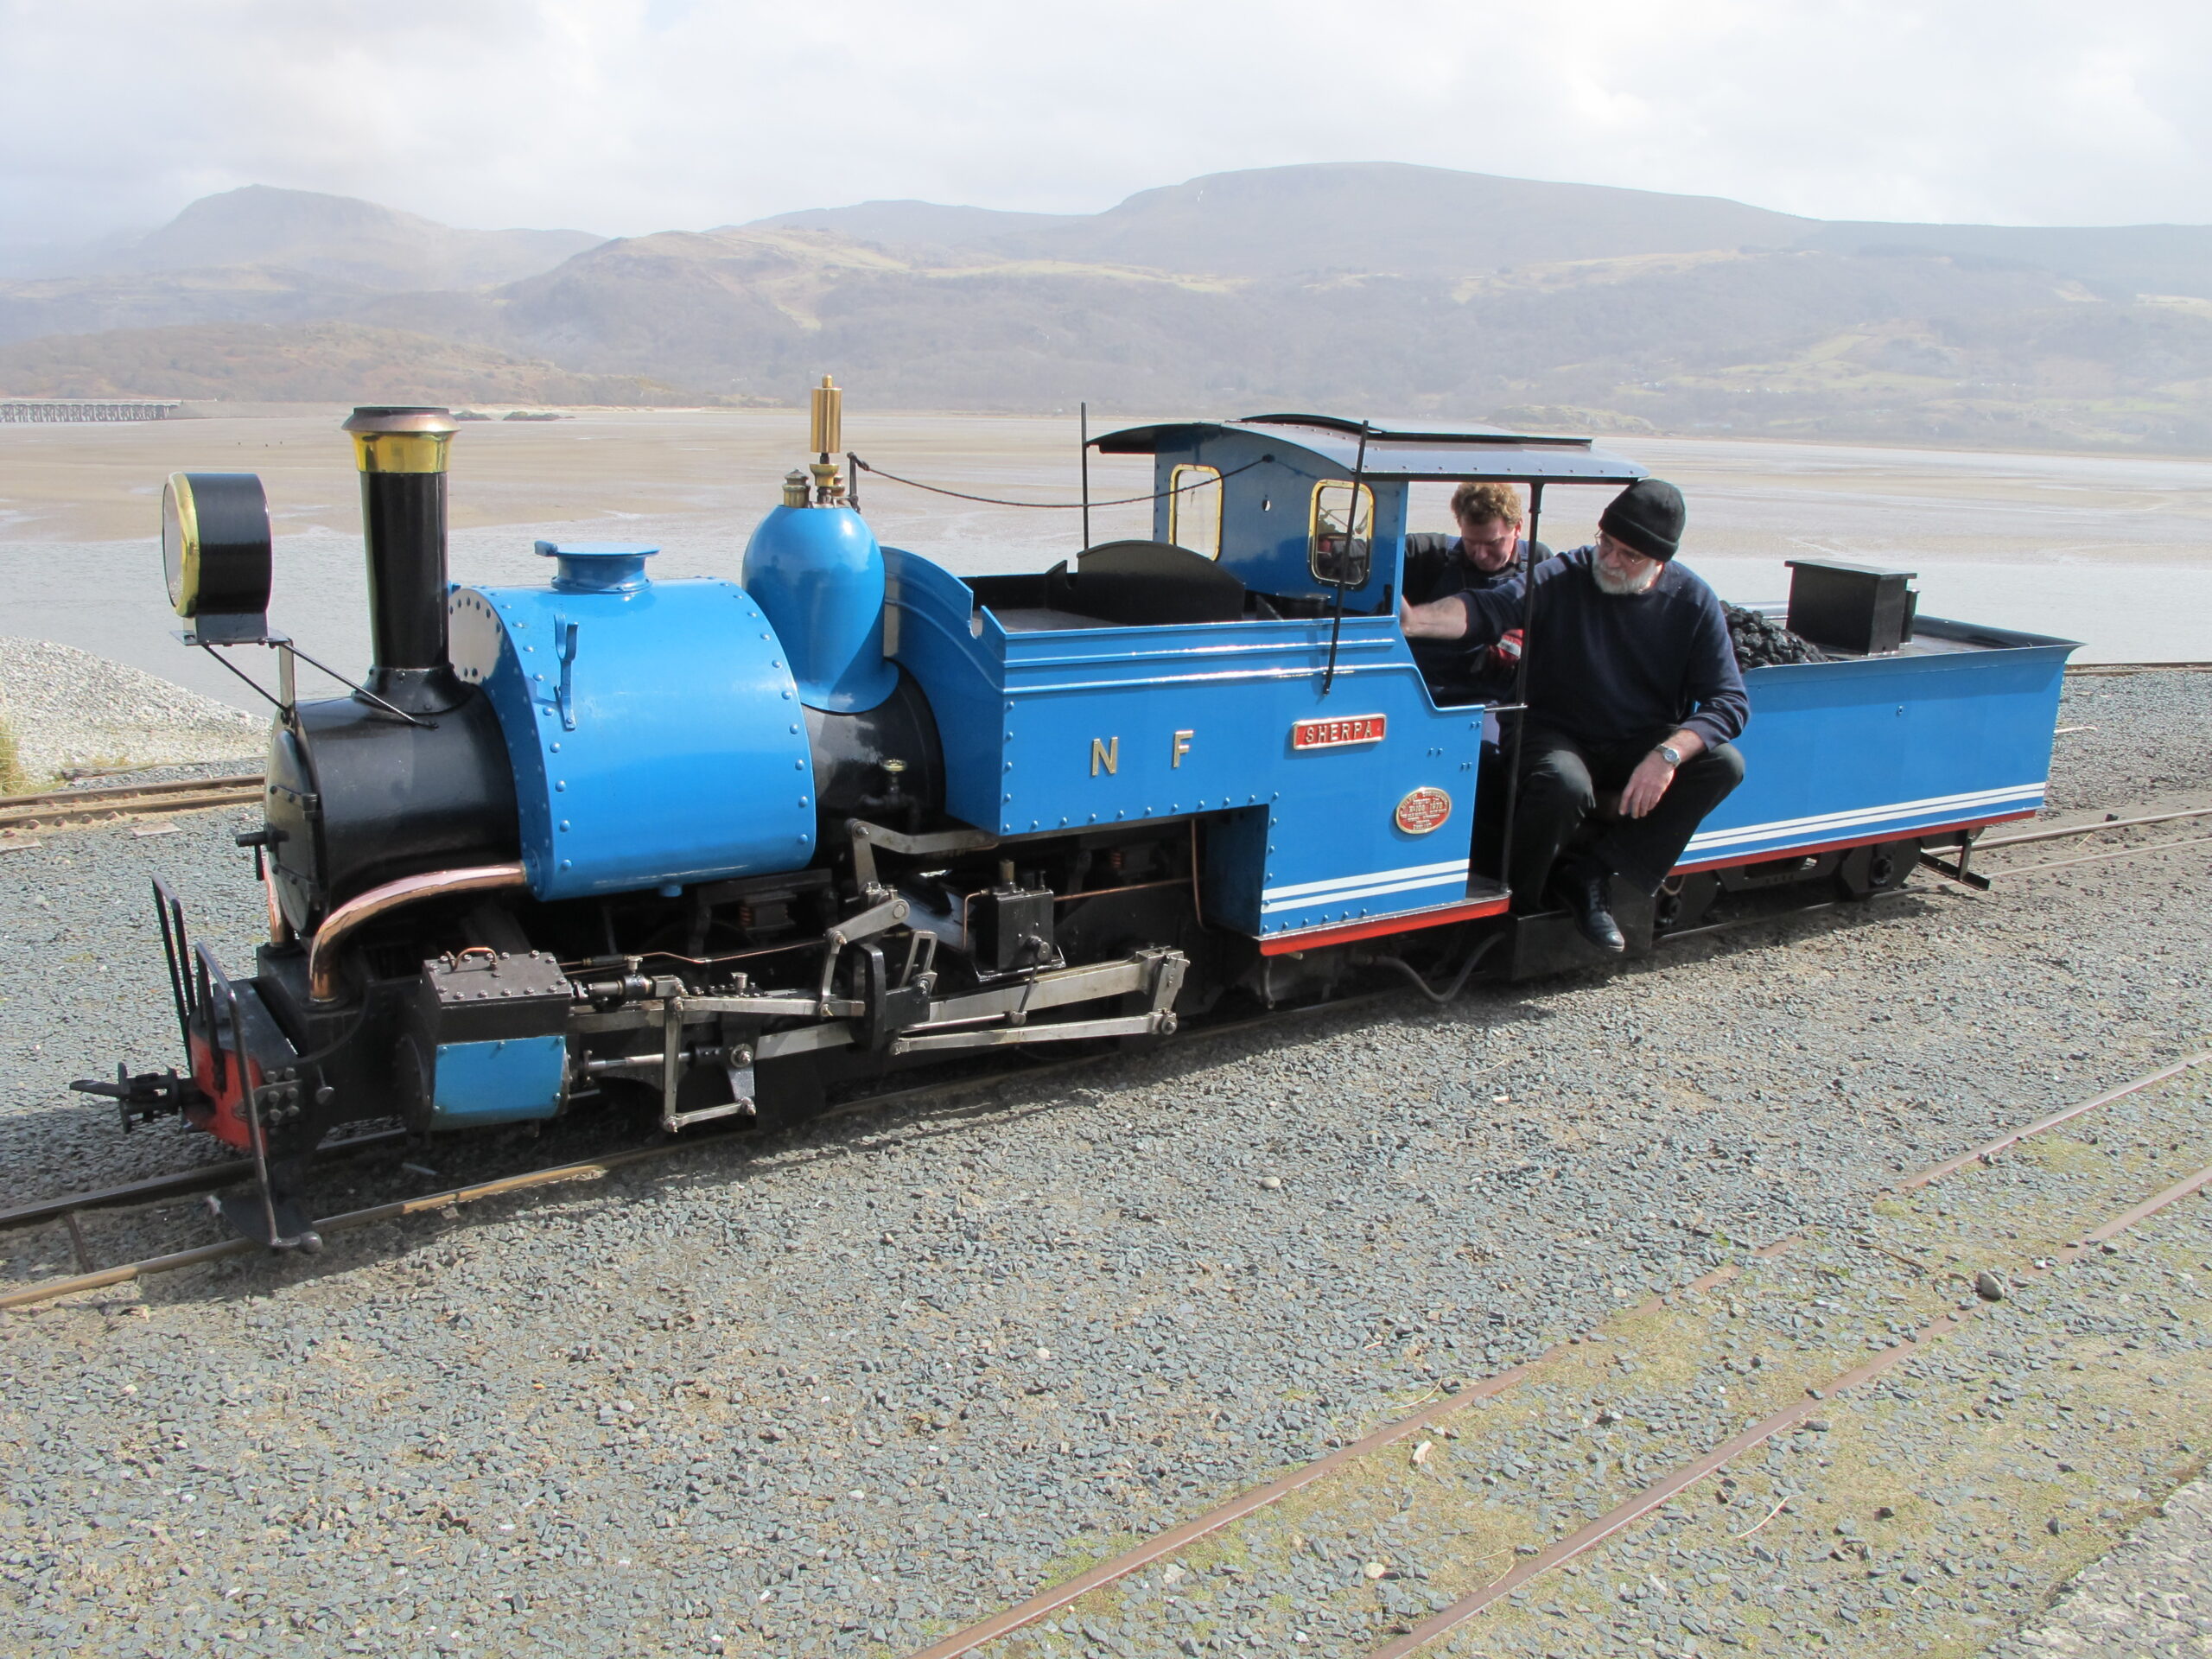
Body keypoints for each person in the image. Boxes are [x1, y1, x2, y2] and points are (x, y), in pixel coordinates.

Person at [1400, 478, 1748, 953]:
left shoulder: (1691, 601)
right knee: (1564, 784)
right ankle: (1516, 909)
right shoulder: (1565, 573)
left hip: (1637, 739)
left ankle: (1595, 872)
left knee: (1723, 764)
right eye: (1606, 543)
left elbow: (1728, 701)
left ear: (1659, 562)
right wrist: (1417, 621)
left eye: (1628, 555)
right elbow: (1490, 607)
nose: (1608, 560)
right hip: (1555, 729)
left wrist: (1666, 755)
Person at [1401, 481, 1548, 706]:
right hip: (1427, 695)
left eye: (1492, 543)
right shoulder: (1429, 554)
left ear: (1517, 528)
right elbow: (1370, 554)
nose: (1480, 554)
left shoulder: (1541, 562)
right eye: (1470, 542)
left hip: (1497, 699)